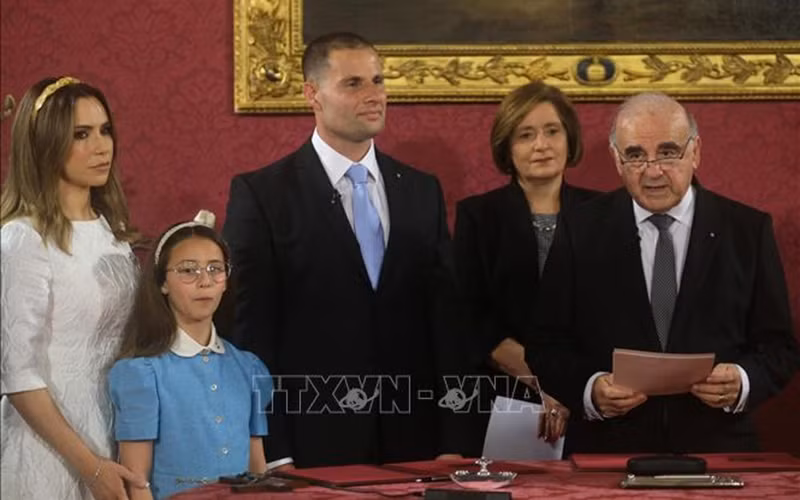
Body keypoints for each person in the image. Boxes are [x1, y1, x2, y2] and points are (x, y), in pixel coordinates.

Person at [221, 32, 465, 468]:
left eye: (378, 80)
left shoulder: (421, 190)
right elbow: (252, 334)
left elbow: (445, 323)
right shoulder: (262, 194)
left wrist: (453, 437)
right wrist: (273, 451)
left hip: (416, 440)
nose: (374, 96)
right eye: (354, 84)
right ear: (312, 94)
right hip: (313, 441)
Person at [524, 92, 800, 453]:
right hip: (610, 451)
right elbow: (546, 347)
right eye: (636, 155)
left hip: (718, 447)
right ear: (616, 160)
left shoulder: (747, 230)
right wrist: (590, 389)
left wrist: (743, 382)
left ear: (695, 152)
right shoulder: (579, 230)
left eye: (668, 153)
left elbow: (779, 349)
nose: (653, 171)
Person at [1, 76, 146, 499]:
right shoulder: (22, 240)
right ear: (44, 143)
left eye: (105, 131)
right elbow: (18, 375)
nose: (102, 146)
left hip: (110, 429)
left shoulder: (110, 234)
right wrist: (90, 467)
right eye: (81, 134)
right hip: (48, 445)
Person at [453, 82, 600, 456]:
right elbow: (472, 318)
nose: (541, 145)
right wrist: (547, 386)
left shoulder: (606, 214)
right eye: (526, 135)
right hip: (505, 398)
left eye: (552, 131)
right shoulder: (479, 216)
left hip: (593, 402)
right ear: (507, 146)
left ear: (570, 139)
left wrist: (576, 388)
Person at [110, 211, 273, 500]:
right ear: (162, 282)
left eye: (215, 269)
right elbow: (136, 482)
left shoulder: (248, 368)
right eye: (188, 270)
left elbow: (257, 469)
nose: (205, 281)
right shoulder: (141, 373)